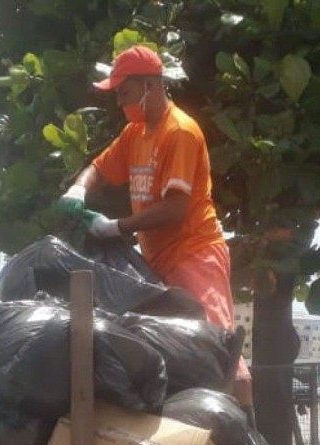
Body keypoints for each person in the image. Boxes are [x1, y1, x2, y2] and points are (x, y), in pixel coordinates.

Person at [56, 45, 252, 406]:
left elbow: (175, 208)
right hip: (157, 261)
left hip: (195, 254)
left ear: (150, 85)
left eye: (124, 92)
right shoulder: (136, 132)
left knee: (217, 347)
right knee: (178, 349)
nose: (119, 101)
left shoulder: (179, 132)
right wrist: (77, 189)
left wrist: (114, 227)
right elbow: (99, 168)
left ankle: (245, 441)